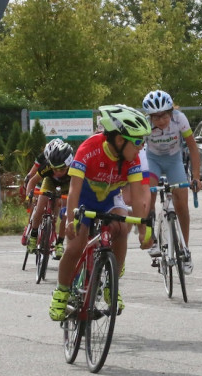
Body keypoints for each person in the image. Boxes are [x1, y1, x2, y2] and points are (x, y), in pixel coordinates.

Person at [48, 105, 152, 321]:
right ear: (120, 139)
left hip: (109, 199)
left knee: (122, 226)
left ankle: (111, 284)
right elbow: (74, 189)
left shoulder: (132, 158)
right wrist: (71, 221)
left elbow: (139, 196)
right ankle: (61, 292)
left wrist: (144, 228)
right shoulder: (89, 148)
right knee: (76, 244)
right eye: (138, 141)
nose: (142, 146)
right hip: (84, 200)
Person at [141, 90, 202, 274]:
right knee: (148, 194)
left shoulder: (180, 119)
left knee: (182, 203)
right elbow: (136, 151)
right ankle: (153, 238)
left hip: (174, 160)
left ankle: (184, 250)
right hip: (153, 160)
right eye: (156, 117)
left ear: (171, 112)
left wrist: (196, 177)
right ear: (150, 117)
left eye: (164, 115)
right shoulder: (145, 124)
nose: (161, 120)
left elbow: (193, 147)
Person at [24, 139, 74, 259]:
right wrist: (28, 198)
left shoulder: (75, 168)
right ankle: (34, 235)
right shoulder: (47, 167)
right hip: (49, 182)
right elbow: (32, 181)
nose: (57, 172)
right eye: (54, 169)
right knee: (40, 206)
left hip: (68, 184)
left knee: (66, 214)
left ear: (68, 165)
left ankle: (60, 243)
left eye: (62, 169)